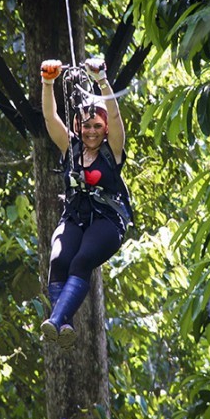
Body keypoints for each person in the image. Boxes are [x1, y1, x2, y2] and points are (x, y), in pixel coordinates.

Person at [39, 57, 132, 349]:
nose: (91, 131)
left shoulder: (112, 151)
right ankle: (63, 323)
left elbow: (116, 120)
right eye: (85, 125)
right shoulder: (71, 147)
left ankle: (55, 320)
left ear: (104, 128)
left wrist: (102, 80)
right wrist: (48, 81)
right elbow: (50, 118)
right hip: (74, 217)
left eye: (96, 126)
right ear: (78, 126)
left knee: (80, 261)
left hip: (107, 220)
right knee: (58, 261)